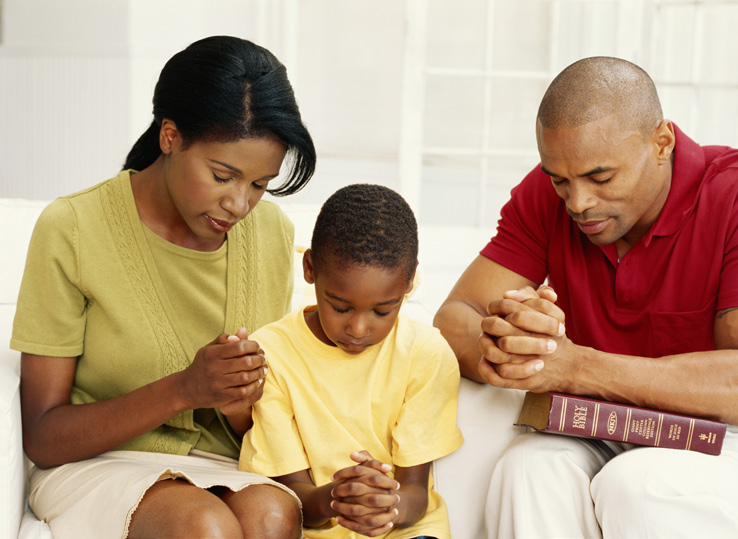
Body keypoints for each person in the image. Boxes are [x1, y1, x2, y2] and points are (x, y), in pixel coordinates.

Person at [433, 56, 738, 538]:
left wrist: (575, 366)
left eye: (601, 177)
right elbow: (454, 317)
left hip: (736, 435)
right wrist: (510, 346)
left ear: (662, 143)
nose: (578, 202)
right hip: (608, 423)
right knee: (528, 470)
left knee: (638, 485)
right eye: (559, 180)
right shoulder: (550, 194)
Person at [11, 35, 316, 539]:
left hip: (223, 468)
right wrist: (184, 389)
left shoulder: (272, 235)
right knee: (204, 526)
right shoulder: (72, 226)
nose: (240, 205)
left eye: (260, 185)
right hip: (97, 463)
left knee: (272, 516)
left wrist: (240, 402)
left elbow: (262, 421)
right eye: (223, 175)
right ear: (170, 136)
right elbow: (42, 435)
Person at [239, 184, 464, 539]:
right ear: (310, 268)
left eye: (382, 310)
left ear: (409, 281)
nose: (358, 329)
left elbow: (415, 491)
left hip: (407, 531)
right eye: (340, 307)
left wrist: (389, 506)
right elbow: (294, 494)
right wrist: (335, 500)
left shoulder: (425, 352)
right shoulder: (272, 354)